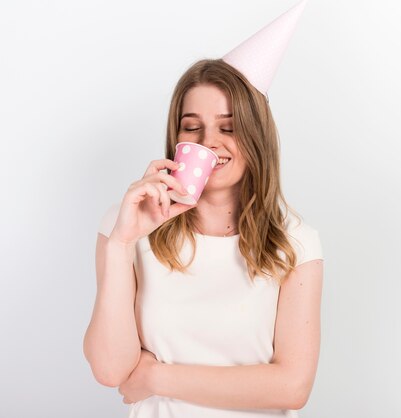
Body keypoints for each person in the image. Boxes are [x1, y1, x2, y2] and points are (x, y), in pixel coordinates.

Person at [83, 2, 324, 417]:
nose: (209, 141)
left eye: (228, 128)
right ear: (176, 137)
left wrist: (157, 377)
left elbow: (292, 387)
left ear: (255, 137)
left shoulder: (295, 242)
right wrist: (121, 243)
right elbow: (110, 369)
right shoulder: (126, 226)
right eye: (192, 126)